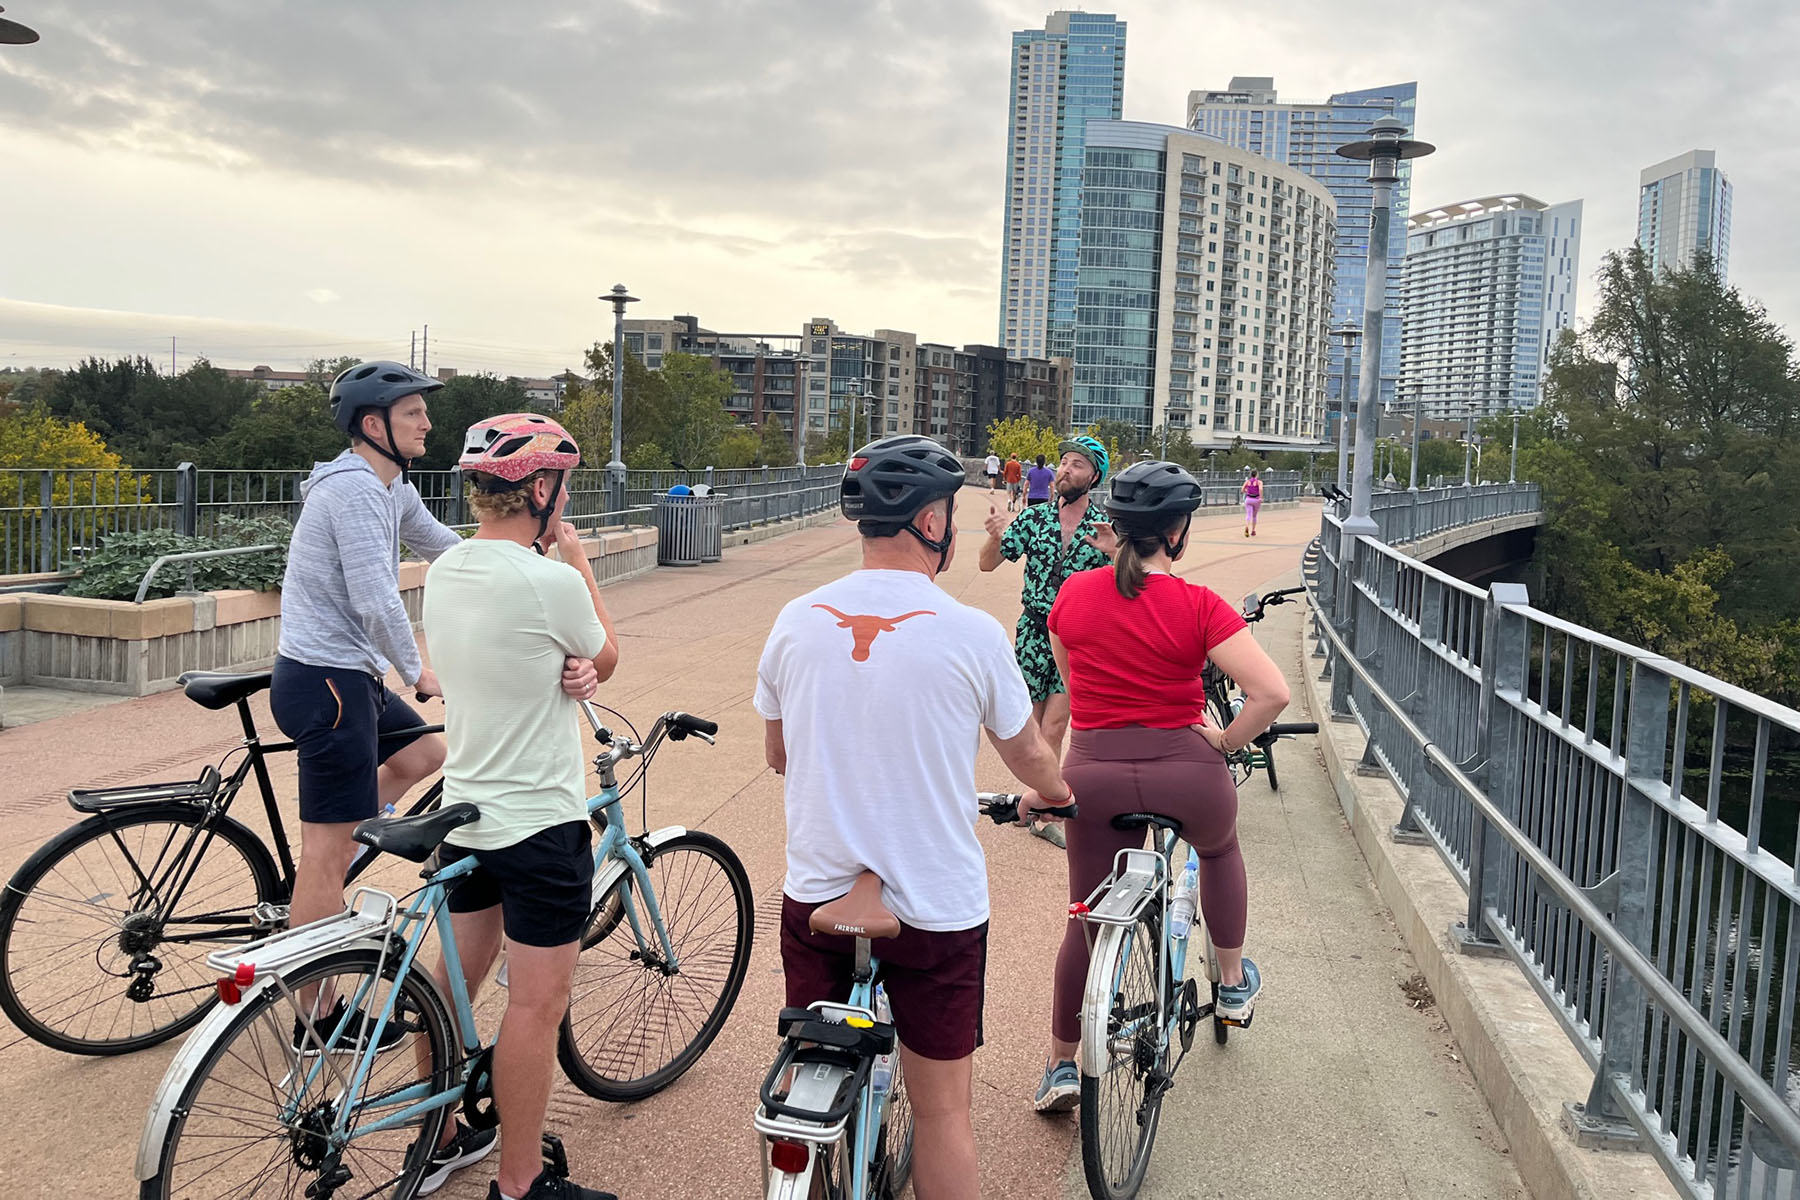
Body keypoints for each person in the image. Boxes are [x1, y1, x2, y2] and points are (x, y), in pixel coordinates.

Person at [756, 435, 1073, 1200]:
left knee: (805, 1063)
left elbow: (779, 755)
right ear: (933, 520)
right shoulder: (970, 634)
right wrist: (1056, 794)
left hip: (819, 897)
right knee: (943, 1113)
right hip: (933, 908)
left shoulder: (797, 620)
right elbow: (1029, 755)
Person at [271, 365, 598, 1051]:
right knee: (324, 851)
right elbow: (374, 597)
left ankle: (336, 866)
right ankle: (315, 1016)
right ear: (374, 425)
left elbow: (453, 550)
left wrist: (517, 566)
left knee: (426, 753)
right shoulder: (357, 492)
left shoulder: (391, 487)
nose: (426, 424)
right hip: (327, 680)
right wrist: (421, 671)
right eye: (414, 413)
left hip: (346, 675)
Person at [1025, 460, 1291, 1111]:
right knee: (1219, 849)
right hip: (1186, 772)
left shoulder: (1073, 598)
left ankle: (1063, 1067)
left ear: (1112, 524)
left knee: (1084, 918)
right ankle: (1230, 984)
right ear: (1177, 533)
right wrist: (1225, 742)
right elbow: (1271, 693)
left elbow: (1075, 688)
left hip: (1093, 777)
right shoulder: (1200, 606)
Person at [419, 413, 621, 1200]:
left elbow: (522, 655)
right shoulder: (552, 581)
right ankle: (519, 1181)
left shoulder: (447, 571)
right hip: (539, 822)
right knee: (534, 1008)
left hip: (463, 809)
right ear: (541, 488)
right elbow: (604, 652)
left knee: (450, 985)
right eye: (561, 485)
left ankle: (439, 1137)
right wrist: (578, 564)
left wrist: (566, 669)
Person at [978, 435, 1116, 770]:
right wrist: (995, 537)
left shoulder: (1103, 529)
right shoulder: (1033, 518)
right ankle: (1036, 794)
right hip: (1034, 632)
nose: (1066, 470)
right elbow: (987, 563)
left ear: (1094, 477)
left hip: (1076, 639)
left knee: (1054, 727)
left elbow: (1128, 585)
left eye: (1077, 465)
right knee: (1029, 728)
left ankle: (1044, 808)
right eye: (1064, 462)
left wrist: (1116, 552)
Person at [1241, 467, 1263, 537]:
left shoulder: (1247, 481)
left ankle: (1247, 526)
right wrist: (1261, 497)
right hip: (1256, 499)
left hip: (1248, 499)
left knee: (1248, 514)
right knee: (1254, 516)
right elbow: (1260, 489)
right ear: (1257, 475)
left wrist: (1247, 491)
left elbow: (1242, 490)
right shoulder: (1259, 482)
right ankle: (1253, 531)